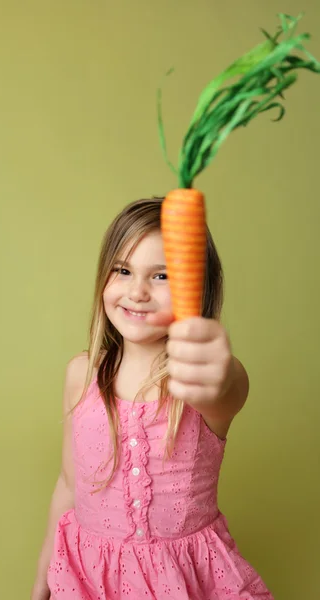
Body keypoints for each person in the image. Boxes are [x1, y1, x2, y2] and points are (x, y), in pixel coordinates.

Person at [31, 197, 273, 600]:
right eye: (123, 271)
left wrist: (218, 365)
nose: (138, 291)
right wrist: (42, 585)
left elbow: (227, 387)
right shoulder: (81, 374)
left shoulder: (199, 383)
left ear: (197, 287)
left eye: (162, 277)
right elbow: (69, 486)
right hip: (89, 581)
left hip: (183, 584)